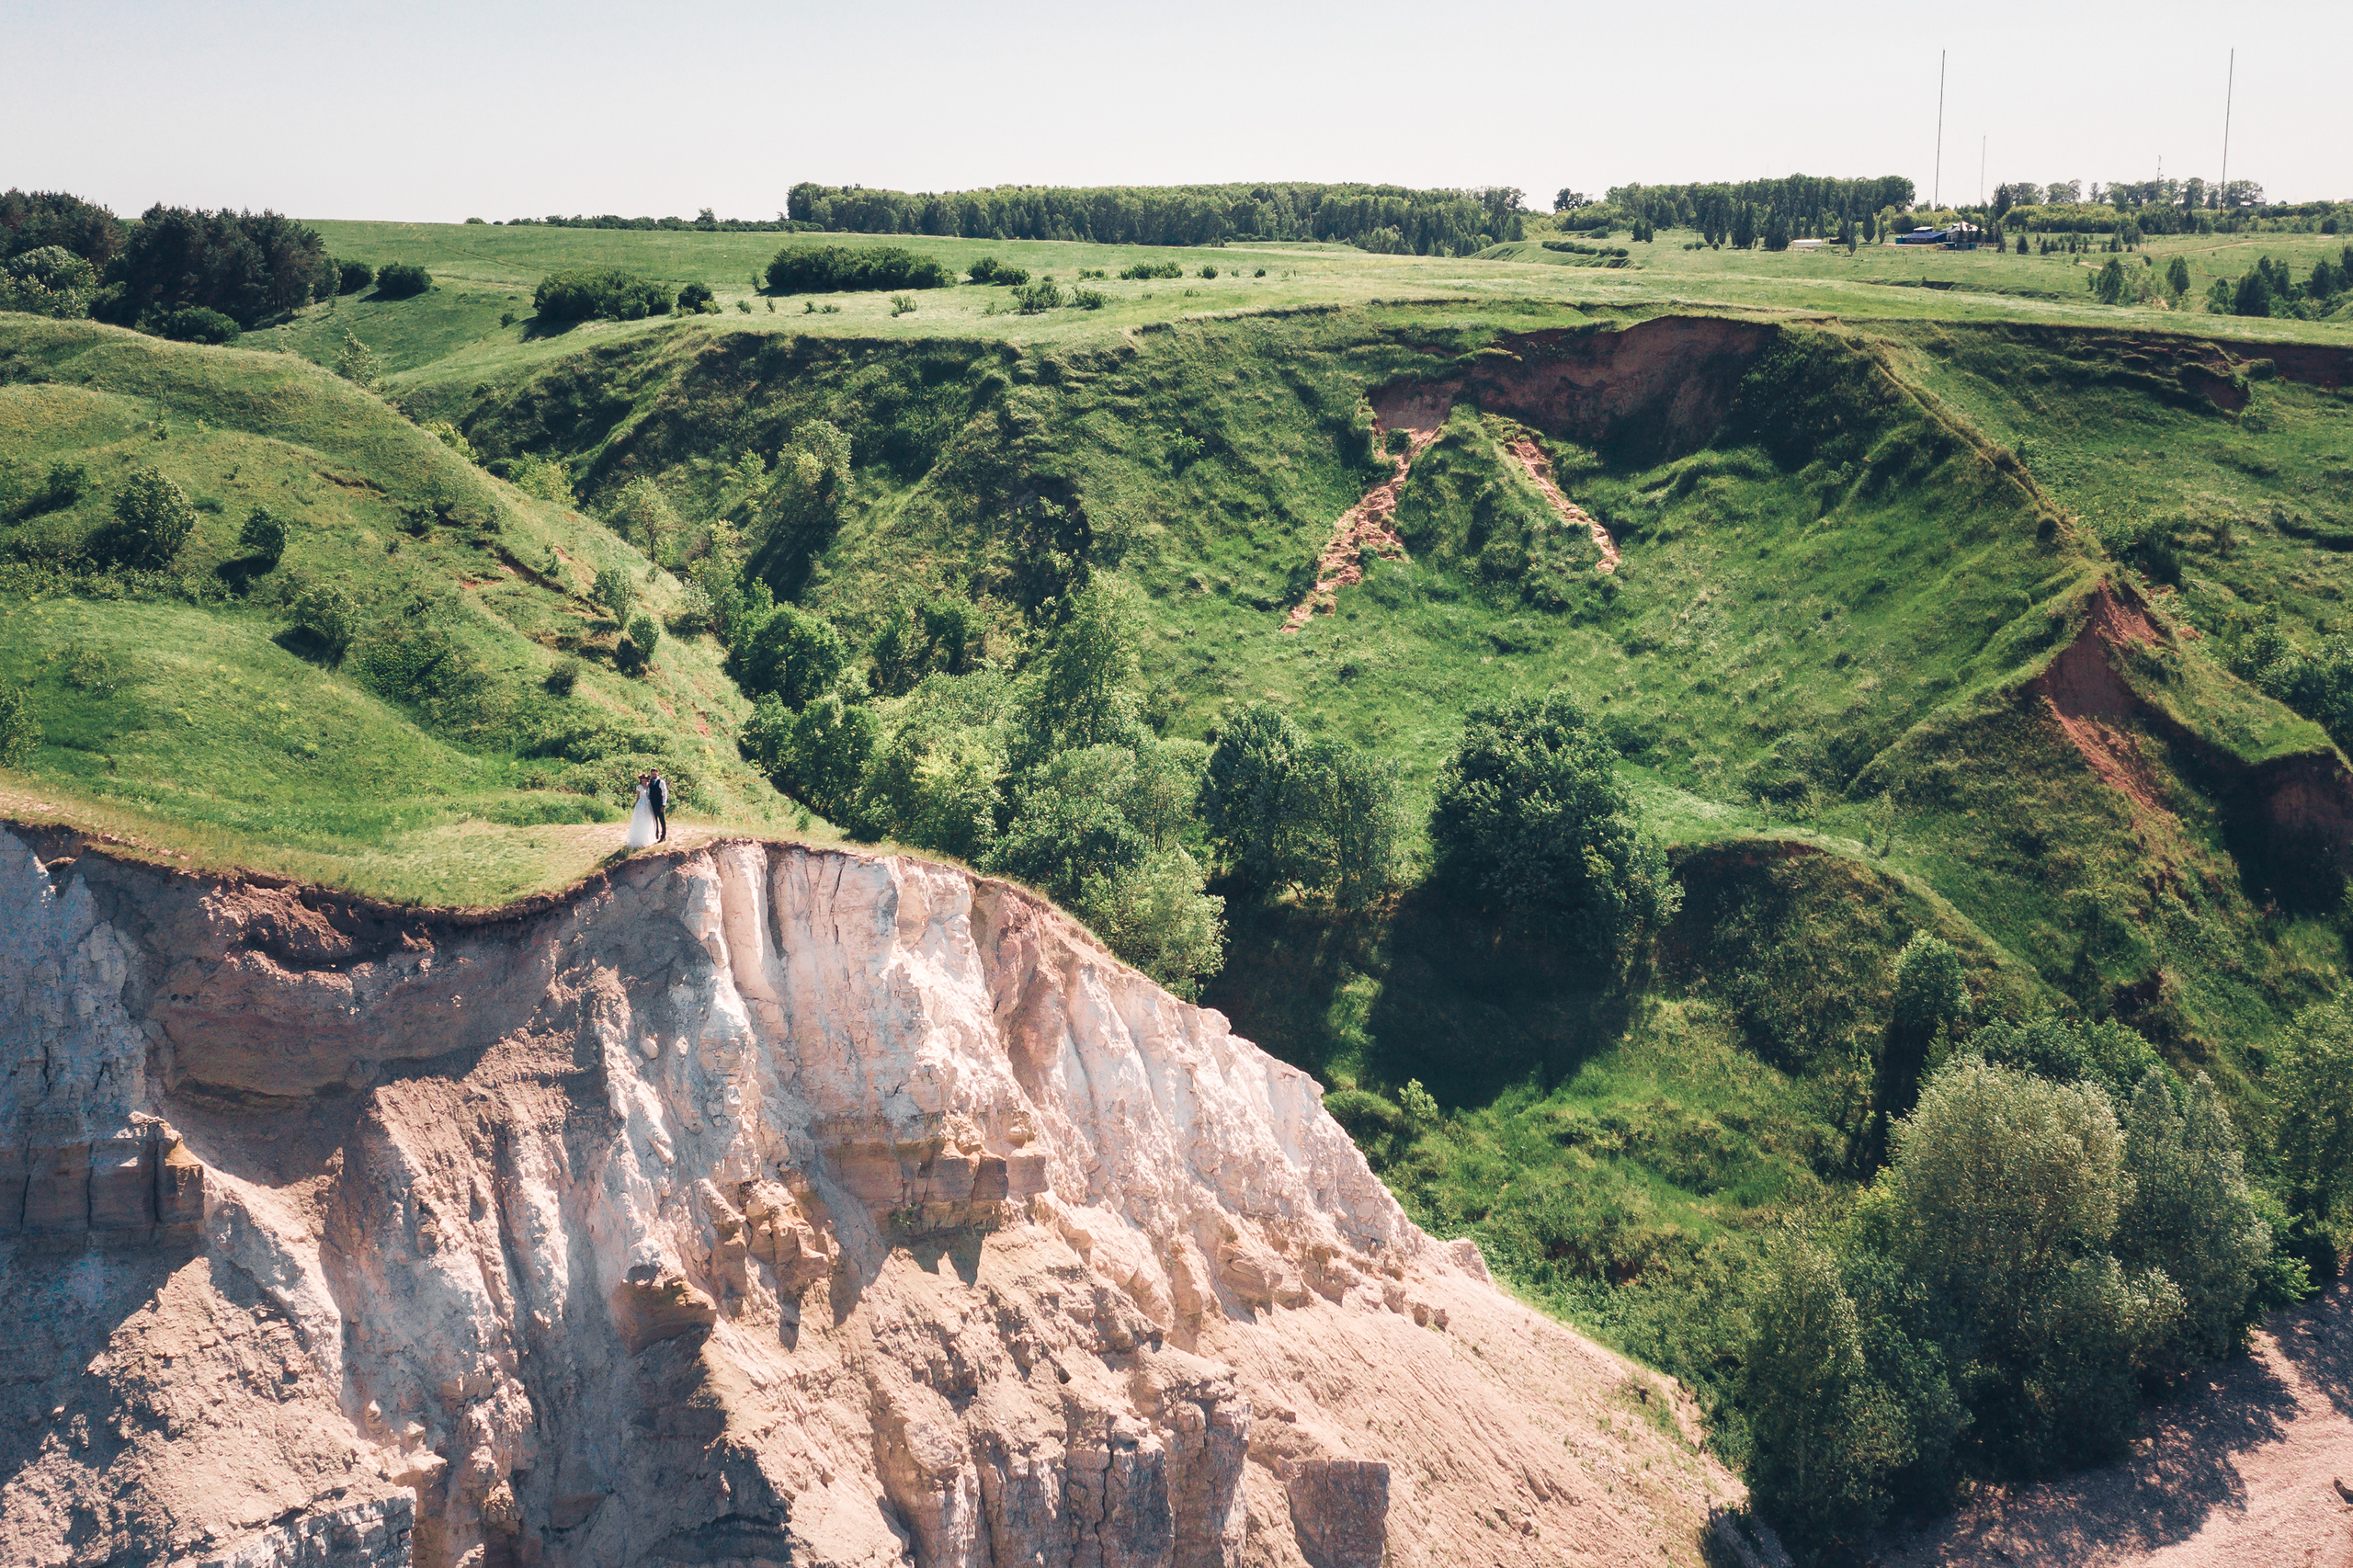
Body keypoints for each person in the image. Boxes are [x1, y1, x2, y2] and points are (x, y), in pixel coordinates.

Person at [625, 773, 657, 850]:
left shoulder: (650, 786)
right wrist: (636, 805)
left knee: (648, 820)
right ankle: (639, 839)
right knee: (640, 820)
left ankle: (648, 838)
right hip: (641, 804)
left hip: (648, 804)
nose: (644, 782)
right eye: (642, 781)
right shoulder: (639, 787)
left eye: (645, 781)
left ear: (647, 781)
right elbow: (638, 797)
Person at [648, 769, 669, 843]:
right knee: (654, 819)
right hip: (652, 803)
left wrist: (663, 804)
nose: (653, 775)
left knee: (661, 819)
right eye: (652, 774)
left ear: (657, 773)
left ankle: (663, 836)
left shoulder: (661, 782)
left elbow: (665, 793)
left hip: (659, 803)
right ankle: (656, 834)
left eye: (655, 773)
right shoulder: (650, 781)